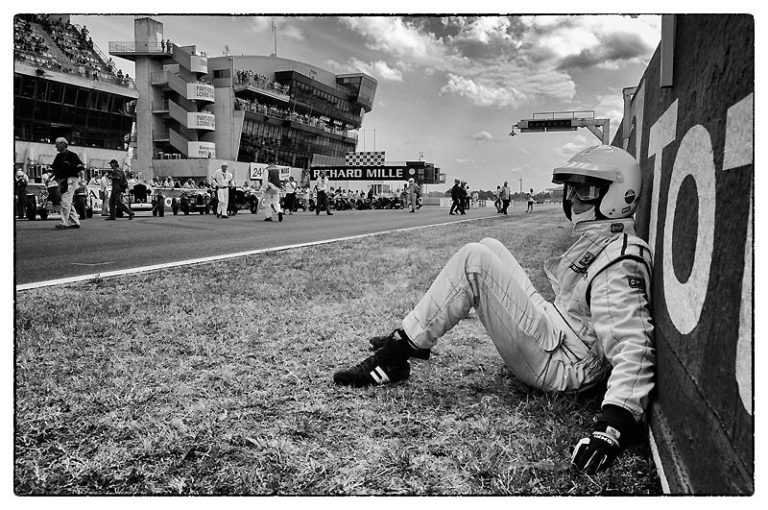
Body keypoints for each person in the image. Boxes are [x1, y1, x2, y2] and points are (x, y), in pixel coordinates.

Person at [333, 145, 654, 476]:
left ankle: (398, 351)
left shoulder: (621, 260)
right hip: (558, 333)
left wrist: (612, 428)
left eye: (585, 191)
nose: (572, 200)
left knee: (475, 259)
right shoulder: (608, 241)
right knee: (490, 245)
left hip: (563, 363)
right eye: (571, 189)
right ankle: (411, 333)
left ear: (620, 195)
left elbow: (634, 346)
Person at [50, 137, 84, 229]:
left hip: (71, 179)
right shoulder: (58, 156)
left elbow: (80, 167)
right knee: (67, 200)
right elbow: (54, 169)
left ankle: (64, 222)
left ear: (63, 144)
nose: (56, 146)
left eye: (57, 144)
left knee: (65, 199)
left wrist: (82, 180)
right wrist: (50, 177)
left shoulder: (73, 155)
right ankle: (75, 221)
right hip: (62, 180)